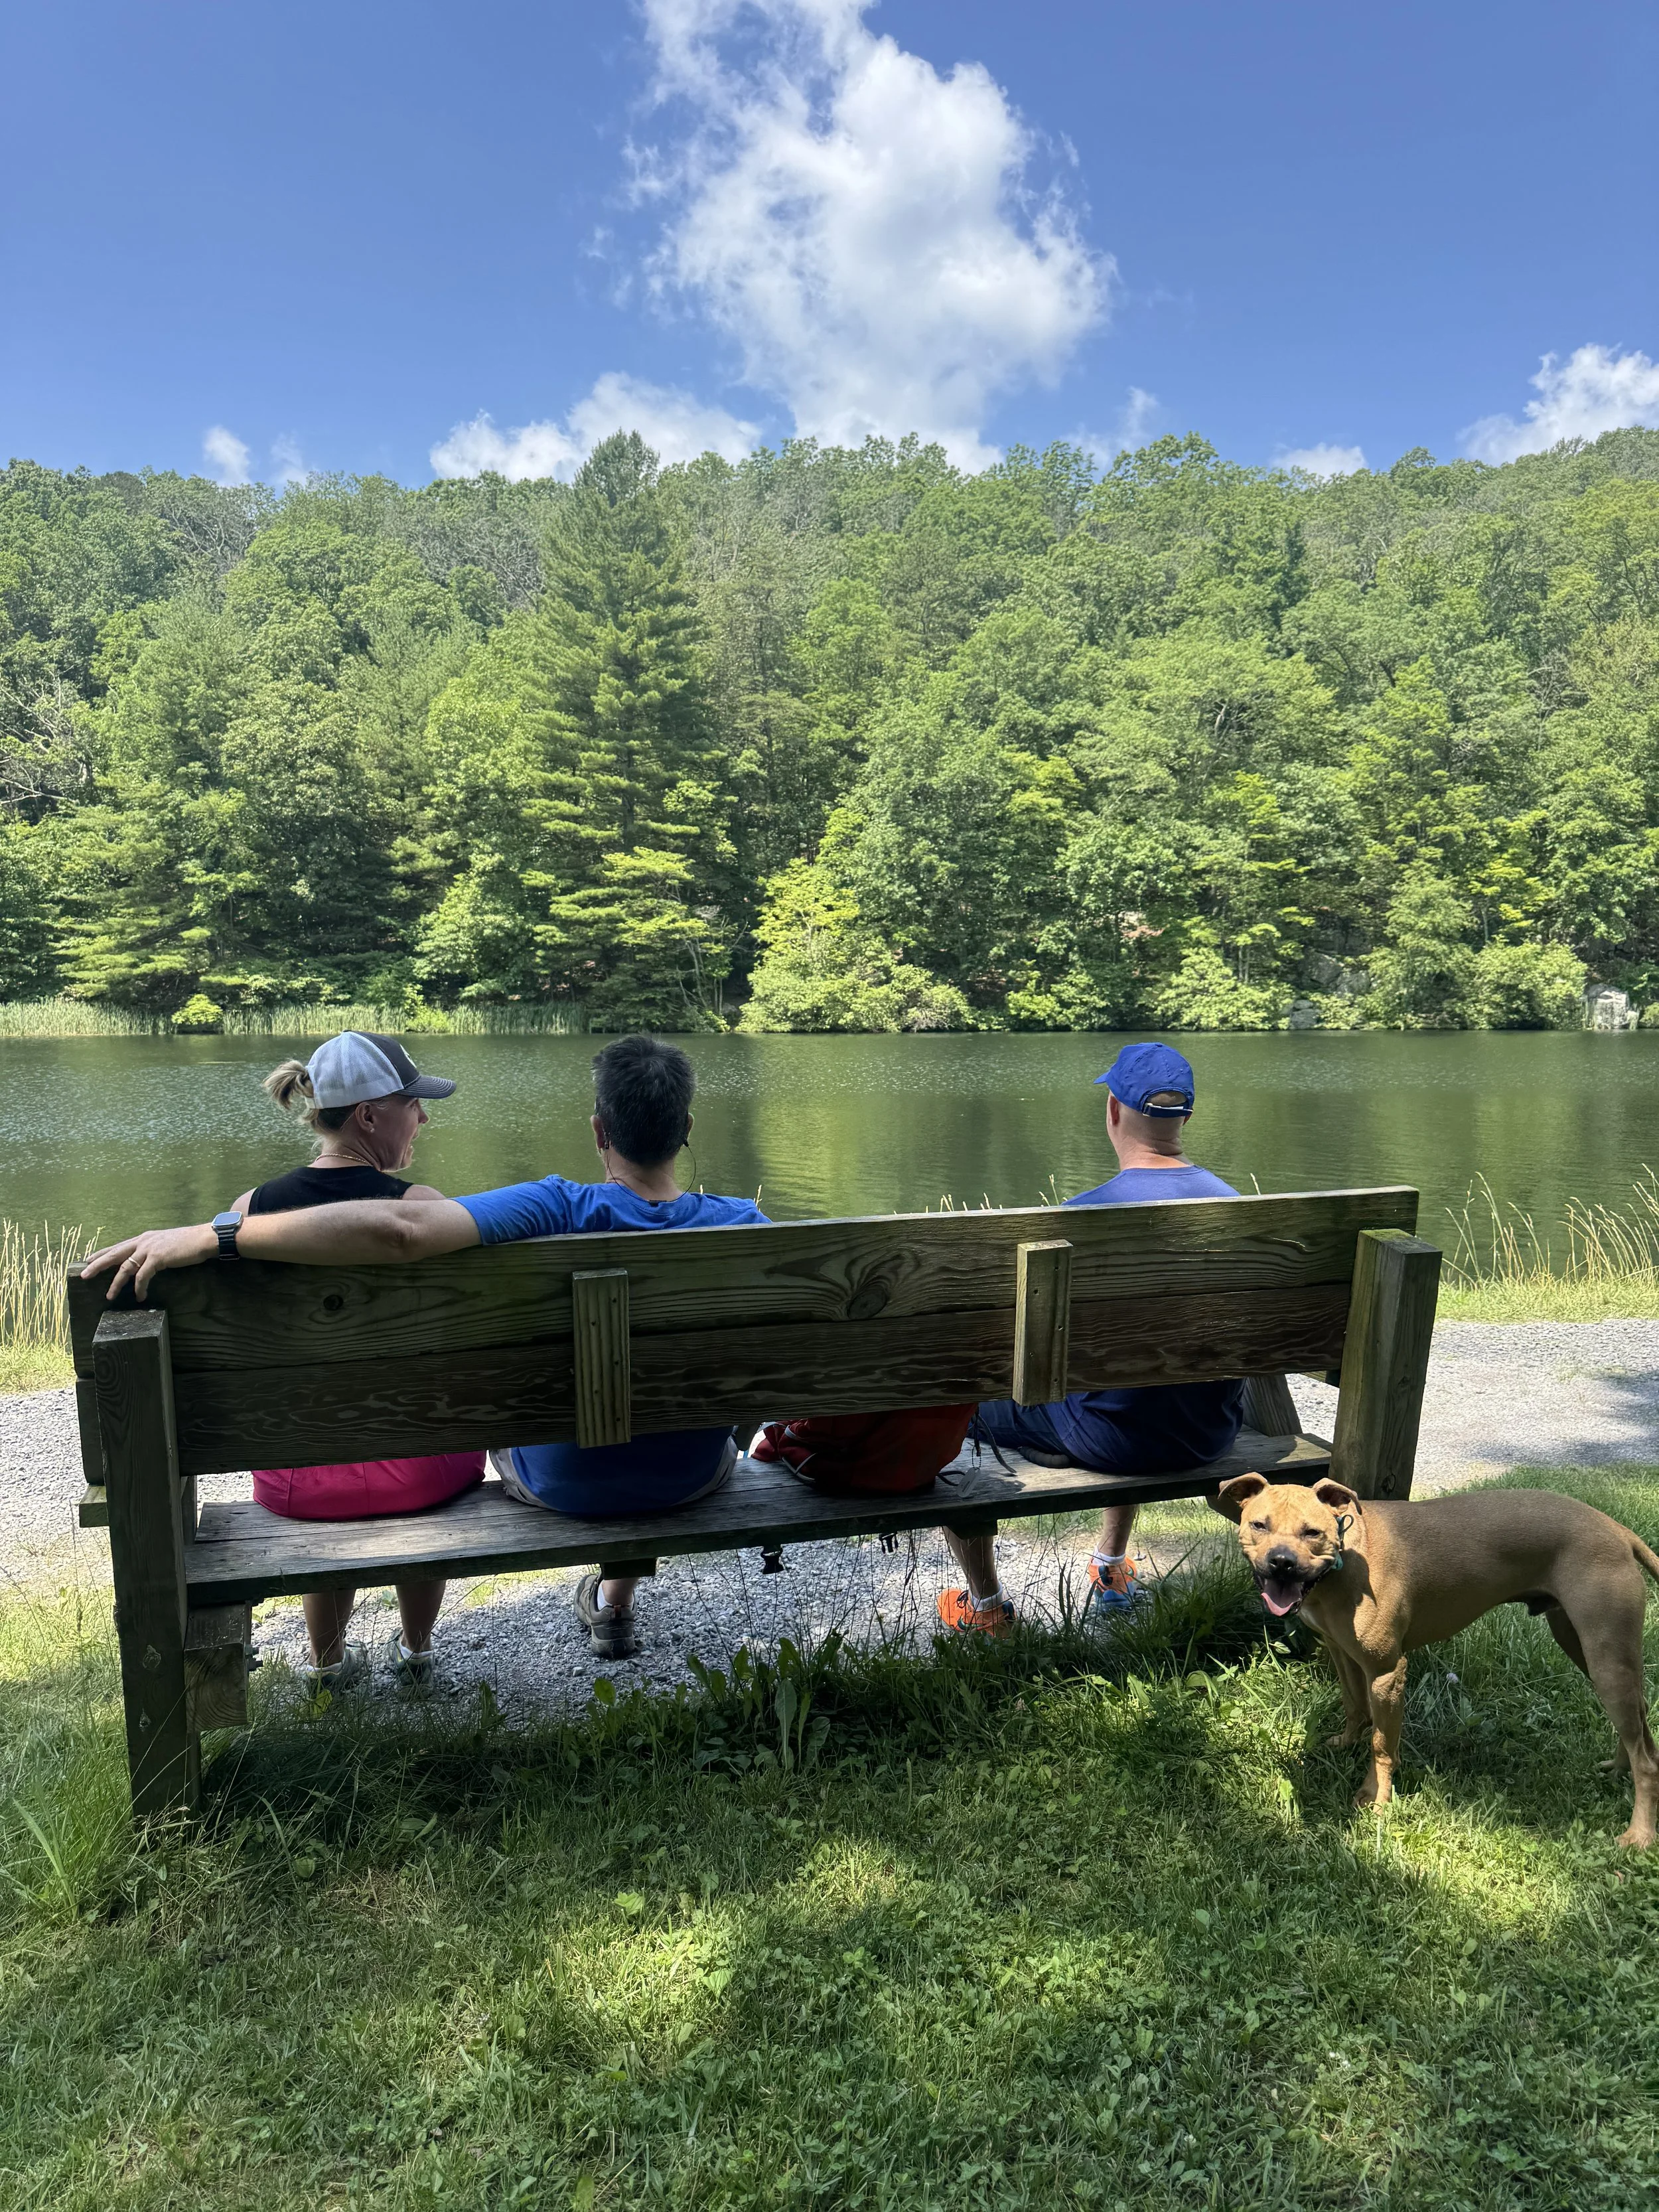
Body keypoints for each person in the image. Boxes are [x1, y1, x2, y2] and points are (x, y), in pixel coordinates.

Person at [84, 1035, 766, 1665]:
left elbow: (404, 1231)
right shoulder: (748, 1227)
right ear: (686, 1132)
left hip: (562, 1484)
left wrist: (219, 1234)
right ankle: (607, 1604)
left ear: (597, 1131)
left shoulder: (552, 1205)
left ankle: (332, 1661)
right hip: (696, 1475)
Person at [936, 1041, 1246, 1635]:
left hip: (1107, 1438)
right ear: (1186, 1117)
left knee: (962, 1401)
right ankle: (1109, 1563)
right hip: (1210, 1433)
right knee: (1135, 1377)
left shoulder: (1080, 1219)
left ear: (1112, 1111)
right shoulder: (1241, 1209)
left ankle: (986, 1609)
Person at [231, 1032, 484, 1691]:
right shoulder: (420, 1211)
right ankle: (418, 1651)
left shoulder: (246, 1216)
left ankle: (327, 1663)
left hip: (299, 1481)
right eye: (412, 1105)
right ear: (369, 1116)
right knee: (426, 1421)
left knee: (320, 1433)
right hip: (421, 1472)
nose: (423, 1119)